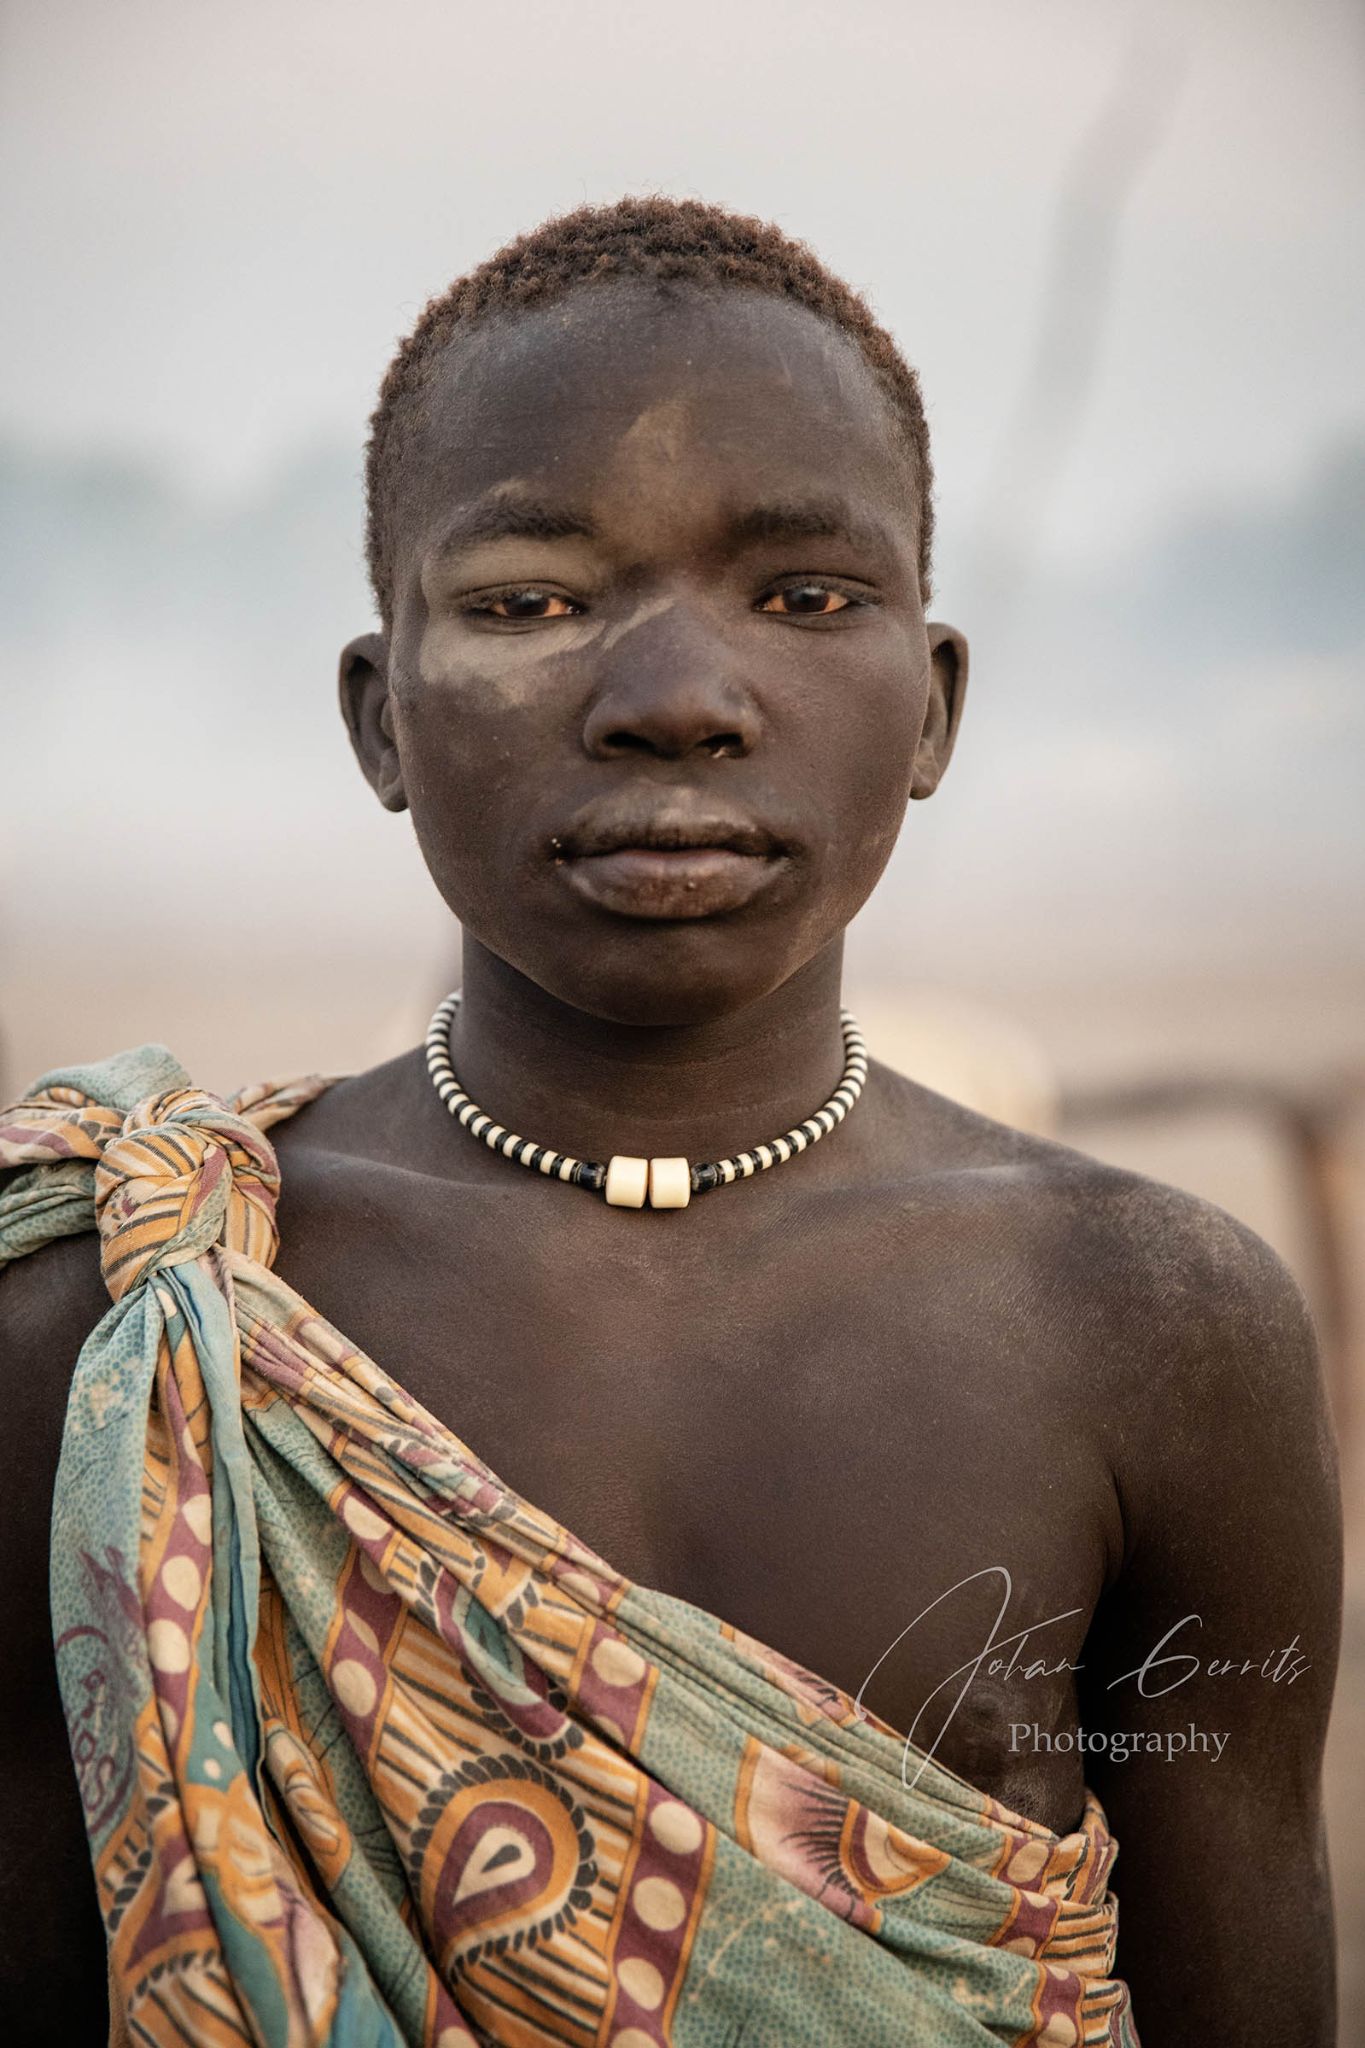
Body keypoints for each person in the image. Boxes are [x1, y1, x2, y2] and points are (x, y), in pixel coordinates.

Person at [0, 197, 1342, 2046]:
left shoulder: (1152, 1323)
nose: (678, 701)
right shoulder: (127, 1328)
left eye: (803, 598)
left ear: (931, 704)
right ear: (380, 720)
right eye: (531, 603)